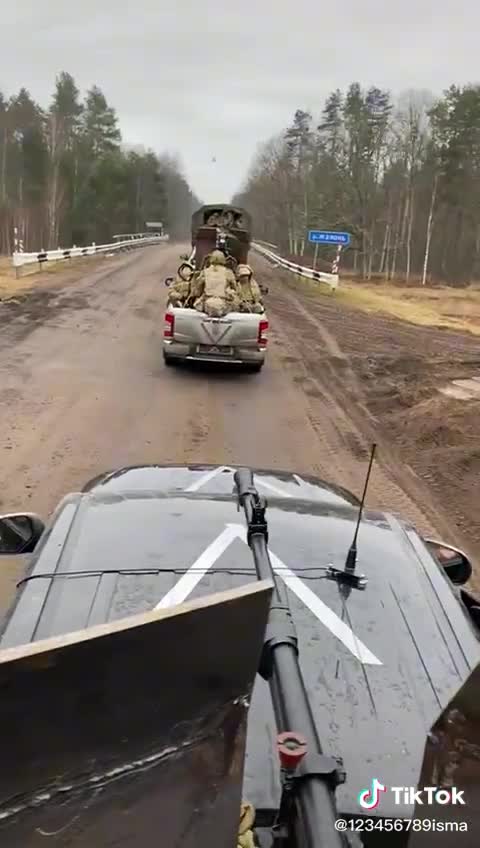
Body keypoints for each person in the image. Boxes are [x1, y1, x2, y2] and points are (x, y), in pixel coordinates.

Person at [193, 250, 240, 317]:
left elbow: (197, 292)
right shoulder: (228, 272)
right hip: (223, 304)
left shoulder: (205, 272)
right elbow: (236, 290)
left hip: (207, 303)